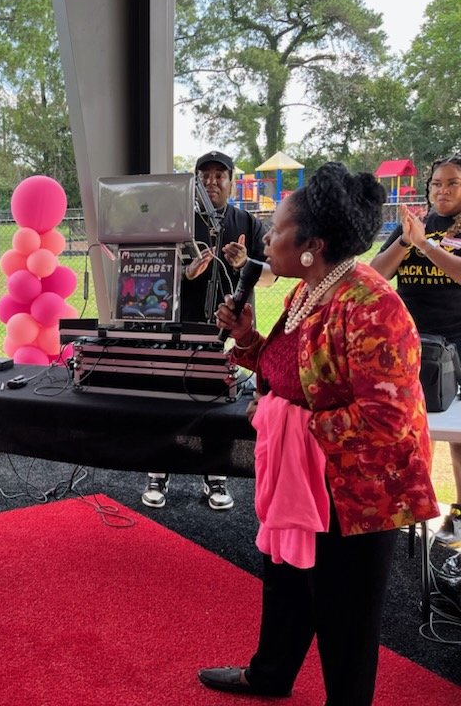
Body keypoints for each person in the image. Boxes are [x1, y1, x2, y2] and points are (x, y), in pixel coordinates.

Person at [199, 162, 438, 704]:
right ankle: (270, 676)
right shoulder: (307, 292)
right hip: (303, 479)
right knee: (285, 585)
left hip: (355, 492)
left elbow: (388, 417)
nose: (265, 236)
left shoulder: (374, 306)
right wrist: (247, 340)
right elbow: (286, 372)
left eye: (276, 229)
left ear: (312, 244)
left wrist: (298, 426)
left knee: (344, 616)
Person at [141, 150, 270, 511]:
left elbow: (273, 274)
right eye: (204, 175)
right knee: (168, 398)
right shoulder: (178, 221)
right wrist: (185, 274)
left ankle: (215, 476)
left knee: (218, 405)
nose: (212, 182)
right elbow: (152, 273)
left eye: (219, 175)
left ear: (231, 180)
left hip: (228, 333)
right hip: (182, 327)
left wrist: (248, 264)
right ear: (195, 181)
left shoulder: (247, 222)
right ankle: (159, 471)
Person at [371, 154, 461, 547]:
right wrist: (407, 241)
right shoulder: (415, 225)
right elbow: (376, 274)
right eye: (437, 183)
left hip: (456, 345)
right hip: (409, 343)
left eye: (452, 183)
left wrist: (424, 247)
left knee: (457, 434)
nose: (442, 190)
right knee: (404, 428)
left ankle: (458, 513)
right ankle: (408, 503)